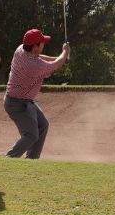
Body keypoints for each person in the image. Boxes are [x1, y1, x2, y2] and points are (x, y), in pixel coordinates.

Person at [4, 29, 70, 159]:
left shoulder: (21, 49)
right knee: (31, 135)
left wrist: (61, 58)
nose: (43, 44)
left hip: (21, 101)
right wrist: (65, 52)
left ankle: (32, 160)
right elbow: (55, 65)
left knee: (42, 125)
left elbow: (40, 57)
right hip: (17, 104)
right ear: (35, 47)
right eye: (42, 42)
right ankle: (9, 159)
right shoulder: (33, 65)